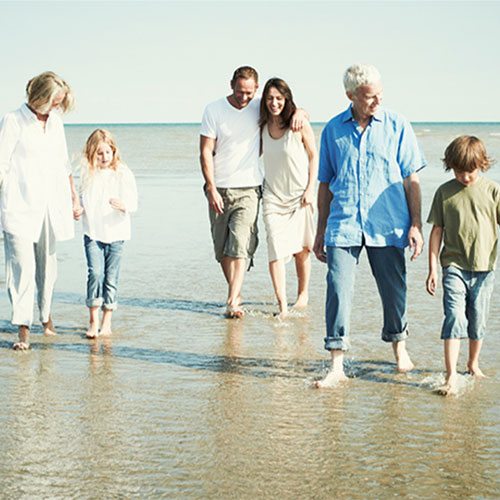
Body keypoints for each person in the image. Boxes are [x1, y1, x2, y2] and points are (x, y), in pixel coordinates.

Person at [313, 63, 426, 387]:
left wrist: (416, 224)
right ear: (350, 95)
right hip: (343, 221)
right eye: (369, 96)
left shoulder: (398, 125)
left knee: (394, 291)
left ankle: (399, 348)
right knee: (337, 289)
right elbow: (324, 183)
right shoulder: (333, 130)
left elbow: (411, 179)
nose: (377, 100)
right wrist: (320, 230)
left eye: (380, 94)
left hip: (388, 222)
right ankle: (336, 364)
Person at [199, 66, 306, 318]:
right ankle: (234, 292)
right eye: (239, 92)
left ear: (256, 90)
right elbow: (205, 151)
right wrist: (211, 187)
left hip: (249, 186)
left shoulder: (260, 106)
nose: (244, 98)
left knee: (240, 243)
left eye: (249, 93)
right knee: (222, 249)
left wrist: (302, 111)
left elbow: (288, 107)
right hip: (219, 186)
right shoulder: (213, 110)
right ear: (231, 85)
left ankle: (233, 300)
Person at [0, 71, 81, 350]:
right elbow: (1, 164)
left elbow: (63, 164)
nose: (58, 107)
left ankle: (46, 317)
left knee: (48, 266)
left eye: (60, 103)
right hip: (19, 205)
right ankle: (23, 328)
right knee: (22, 268)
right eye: (55, 102)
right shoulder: (13, 121)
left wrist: (74, 197)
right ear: (40, 97)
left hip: (51, 204)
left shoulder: (56, 124)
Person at [426, 136, 498, 396]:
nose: (465, 177)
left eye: (470, 171)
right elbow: (436, 232)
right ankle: (451, 375)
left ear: (481, 164)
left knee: (477, 320)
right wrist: (433, 268)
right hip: (453, 266)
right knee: (454, 316)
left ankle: (473, 363)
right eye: (458, 171)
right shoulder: (444, 192)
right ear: (450, 166)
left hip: (484, 267)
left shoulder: (493, 190)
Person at [260, 78, 318, 318]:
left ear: (286, 100)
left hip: (298, 196)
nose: (275, 103)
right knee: (275, 246)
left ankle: (302, 295)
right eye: (270, 98)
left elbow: (314, 156)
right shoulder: (261, 125)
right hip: (273, 196)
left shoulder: (298, 123)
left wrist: (310, 189)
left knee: (302, 250)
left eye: (279, 99)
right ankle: (282, 306)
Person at [79, 129, 138, 338]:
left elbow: (134, 201)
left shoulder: (122, 172)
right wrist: (77, 209)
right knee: (95, 273)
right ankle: (93, 321)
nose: (104, 158)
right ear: (91, 153)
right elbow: (80, 199)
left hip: (117, 233)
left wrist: (124, 205)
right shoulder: (87, 174)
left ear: (114, 152)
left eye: (107, 152)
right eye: (99, 153)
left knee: (111, 278)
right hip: (93, 232)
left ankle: (107, 323)